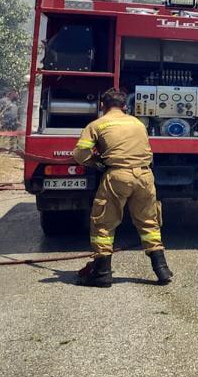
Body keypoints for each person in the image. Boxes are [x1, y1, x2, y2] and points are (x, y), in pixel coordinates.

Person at [72, 88, 172, 287]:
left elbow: (80, 153)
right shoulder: (137, 123)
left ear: (102, 106)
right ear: (125, 107)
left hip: (117, 176)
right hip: (145, 176)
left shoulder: (97, 124)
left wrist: (96, 162)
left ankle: (102, 273)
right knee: (149, 223)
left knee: (103, 223)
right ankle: (161, 269)